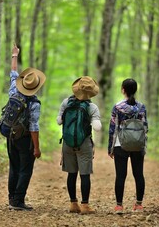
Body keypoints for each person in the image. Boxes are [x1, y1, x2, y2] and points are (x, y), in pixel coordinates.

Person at [6, 44, 46, 211]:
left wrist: (15, 55)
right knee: (25, 169)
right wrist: (36, 147)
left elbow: (13, 73)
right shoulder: (34, 103)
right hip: (25, 139)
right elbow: (34, 127)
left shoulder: (14, 91)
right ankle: (19, 201)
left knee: (13, 167)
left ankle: (11, 198)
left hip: (10, 135)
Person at [57, 76, 102, 214]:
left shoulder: (66, 102)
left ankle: (73, 204)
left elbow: (59, 121)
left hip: (67, 143)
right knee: (85, 175)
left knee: (71, 174)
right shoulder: (92, 107)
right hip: (84, 144)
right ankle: (85, 205)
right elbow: (97, 127)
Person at [108, 78, 148, 214]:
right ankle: (139, 205)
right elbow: (145, 128)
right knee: (138, 175)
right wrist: (144, 146)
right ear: (135, 90)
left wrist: (111, 148)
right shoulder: (141, 107)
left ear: (123, 89)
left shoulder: (117, 107)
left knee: (120, 175)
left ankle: (119, 206)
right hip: (138, 145)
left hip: (121, 144)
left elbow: (113, 129)